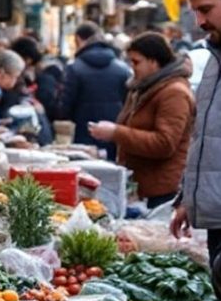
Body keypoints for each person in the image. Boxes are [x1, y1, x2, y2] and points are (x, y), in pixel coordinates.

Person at [87, 32, 194, 209]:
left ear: (153, 62)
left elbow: (165, 143)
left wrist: (116, 133)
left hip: (161, 192)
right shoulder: (141, 87)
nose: (132, 67)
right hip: (140, 187)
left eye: (136, 62)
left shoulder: (174, 93)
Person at [172, 0, 221, 270]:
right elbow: (206, 137)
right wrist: (188, 197)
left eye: (206, 9)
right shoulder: (214, 60)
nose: (200, 21)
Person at [58, 22, 132, 160]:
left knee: (86, 171)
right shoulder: (122, 68)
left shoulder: (74, 68)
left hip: (84, 130)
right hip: (114, 131)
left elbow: (65, 105)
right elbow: (129, 102)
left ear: (79, 40)